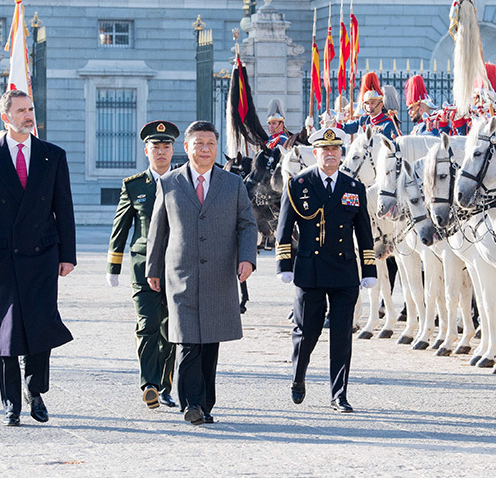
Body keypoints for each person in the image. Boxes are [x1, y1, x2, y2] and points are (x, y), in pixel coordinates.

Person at [0, 89, 76, 427]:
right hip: (2, 257)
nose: (28, 115)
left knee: (41, 326)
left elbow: (64, 209)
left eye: (30, 109)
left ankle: (35, 390)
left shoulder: (52, 155)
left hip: (43, 254)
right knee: (5, 333)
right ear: (6, 117)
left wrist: (68, 255)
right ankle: (10, 402)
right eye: (21, 111)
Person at [145, 120, 257, 425]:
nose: (205, 149)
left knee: (210, 343)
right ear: (187, 147)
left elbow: (247, 224)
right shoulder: (169, 183)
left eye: (210, 144)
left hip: (219, 275)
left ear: (216, 147)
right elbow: (159, 230)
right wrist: (153, 268)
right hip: (181, 275)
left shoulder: (232, 184)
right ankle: (191, 403)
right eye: (199, 143)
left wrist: (247, 259)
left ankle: (205, 404)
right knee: (187, 340)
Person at [274, 127, 377, 413]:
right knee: (307, 332)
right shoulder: (298, 184)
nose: (330, 155)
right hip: (310, 271)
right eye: (324, 150)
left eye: (335, 150)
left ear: (341, 154)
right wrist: (285, 264)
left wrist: (368, 268)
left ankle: (339, 394)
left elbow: (364, 232)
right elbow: (284, 229)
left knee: (342, 335)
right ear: (315, 153)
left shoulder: (353, 187)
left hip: (344, 271)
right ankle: (298, 377)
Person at [106, 120, 179, 410]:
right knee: (148, 325)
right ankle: (148, 383)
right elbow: (120, 227)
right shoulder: (134, 185)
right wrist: (113, 266)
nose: (160, 152)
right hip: (142, 268)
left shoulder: (183, 182)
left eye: (165, 146)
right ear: (145, 150)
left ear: (174, 150)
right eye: (155, 147)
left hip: (176, 268)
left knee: (172, 330)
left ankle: (166, 386)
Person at [334, 72, 401, 139]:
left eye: (372, 103)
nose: (369, 106)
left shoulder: (388, 124)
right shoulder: (364, 119)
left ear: (381, 104)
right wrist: (334, 124)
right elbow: (346, 128)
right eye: (367, 103)